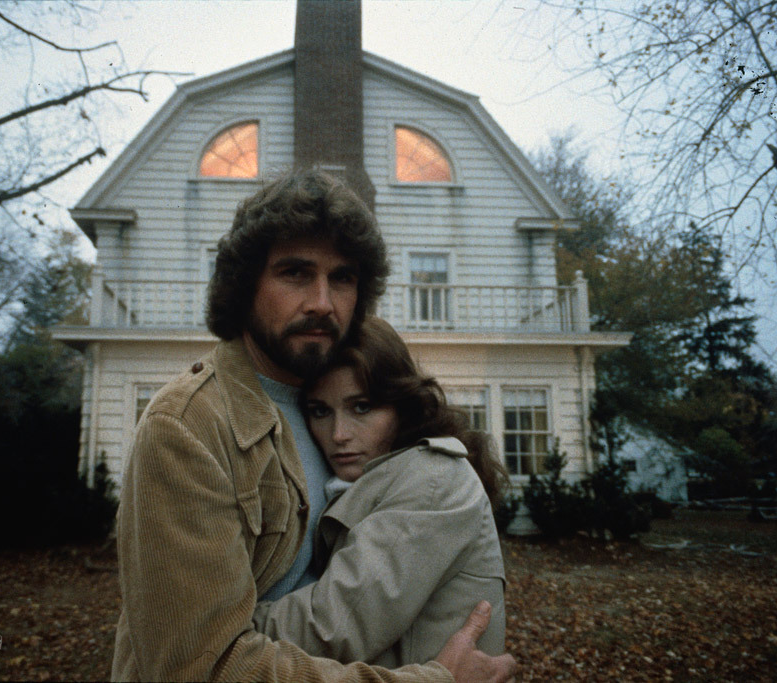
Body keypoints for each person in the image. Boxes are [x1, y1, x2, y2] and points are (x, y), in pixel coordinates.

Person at [111, 169, 518, 682]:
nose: (322, 302)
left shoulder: (325, 405)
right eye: (295, 273)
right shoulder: (190, 428)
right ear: (245, 287)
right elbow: (203, 667)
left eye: (342, 278)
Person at [252, 316, 509, 666]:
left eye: (362, 407)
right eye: (320, 411)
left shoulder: (433, 478)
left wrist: (225, 630)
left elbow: (333, 627)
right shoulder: (381, 475)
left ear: (403, 406)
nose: (339, 433)